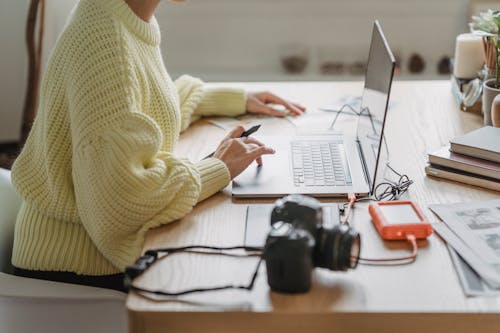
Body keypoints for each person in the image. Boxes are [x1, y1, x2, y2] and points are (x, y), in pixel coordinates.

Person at [11, 0, 305, 292]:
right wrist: (217, 168)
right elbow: (121, 201)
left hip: (89, 249)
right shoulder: (105, 38)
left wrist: (232, 99)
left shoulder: (121, 13)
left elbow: (136, 114)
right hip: (76, 272)